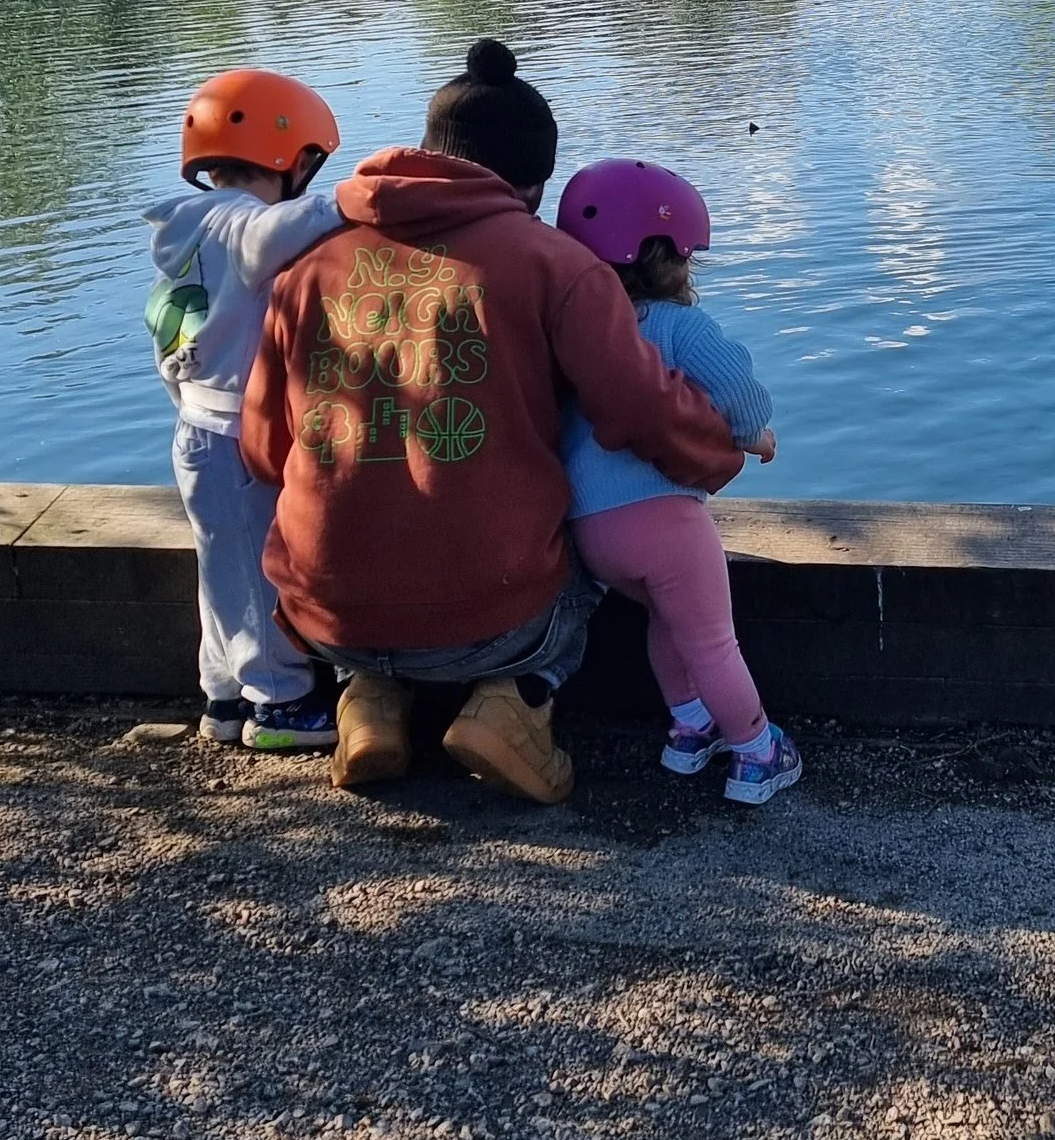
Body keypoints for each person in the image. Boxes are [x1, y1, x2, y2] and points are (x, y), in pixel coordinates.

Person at [238, 39, 742, 805]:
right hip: (491, 622)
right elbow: (640, 410)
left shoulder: (309, 266)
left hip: (324, 615)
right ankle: (518, 704)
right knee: (596, 541)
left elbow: (263, 449)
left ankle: (370, 697)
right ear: (534, 186)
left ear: (429, 151)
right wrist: (720, 451)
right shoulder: (553, 265)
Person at [554, 157, 800, 806]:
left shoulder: (575, 337)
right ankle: (756, 751)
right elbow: (738, 390)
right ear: (673, 255)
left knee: (669, 618)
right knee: (714, 638)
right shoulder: (675, 324)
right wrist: (755, 435)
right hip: (662, 519)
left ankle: (689, 731)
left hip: (592, 530)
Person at [145, 68, 347, 753]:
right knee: (259, 568)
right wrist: (355, 201)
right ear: (289, 159)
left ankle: (223, 695)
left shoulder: (189, 227)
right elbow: (274, 235)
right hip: (233, 430)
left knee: (221, 566)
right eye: (314, 171)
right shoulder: (240, 223)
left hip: (196, 422)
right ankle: (281, 703)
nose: (315, 188)